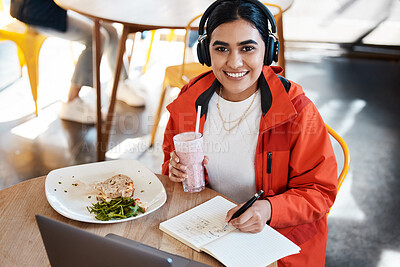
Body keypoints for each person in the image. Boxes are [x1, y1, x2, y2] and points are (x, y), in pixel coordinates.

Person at [162, 0, 338, 266]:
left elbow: (320, 191)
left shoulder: (297, 110)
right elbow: (169, 162)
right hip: (206, 228)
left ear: (267, 51)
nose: (234, 62)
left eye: (247, 48)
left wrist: (269, 209)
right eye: (221, 48)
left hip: (277, 237)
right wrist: (173, 170)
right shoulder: (191, 100)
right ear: (206, 52)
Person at [10, 0, 146, 124]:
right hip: (35, 11)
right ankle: (71, 102)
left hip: (53, 6)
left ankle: (119, 83)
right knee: (98, 37)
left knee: (111, 30)